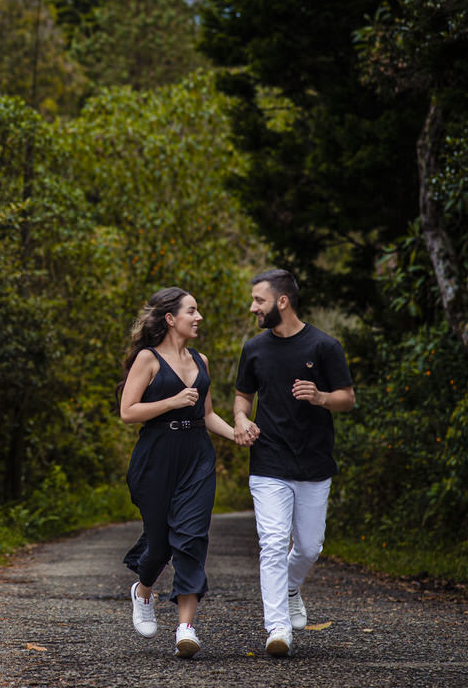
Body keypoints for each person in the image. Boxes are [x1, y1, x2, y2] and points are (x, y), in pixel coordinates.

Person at [233, 269, 355, 657]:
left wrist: (320, 397)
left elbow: (347, 398)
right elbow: (242, 398)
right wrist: (240, 420)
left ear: (281, 301)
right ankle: (278, 628)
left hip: (315, 463)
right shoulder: (253, 348)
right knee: (272, 544)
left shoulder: (324, 346)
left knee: (308, 548)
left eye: (259, 300)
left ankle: (290, 586)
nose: (253, 307)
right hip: (268, 460)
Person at [118, 287, 237, 659]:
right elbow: (128, 411)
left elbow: (207, 415)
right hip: (156, 456)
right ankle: (144, 590)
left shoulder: (201, 360)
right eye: (192, 310)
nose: (198, 317)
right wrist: (171, 401)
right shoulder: (147, 359)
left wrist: (238, 434)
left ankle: (186, 627)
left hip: (197, 456)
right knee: (160, 544)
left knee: (192, 538)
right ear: (171, 318)